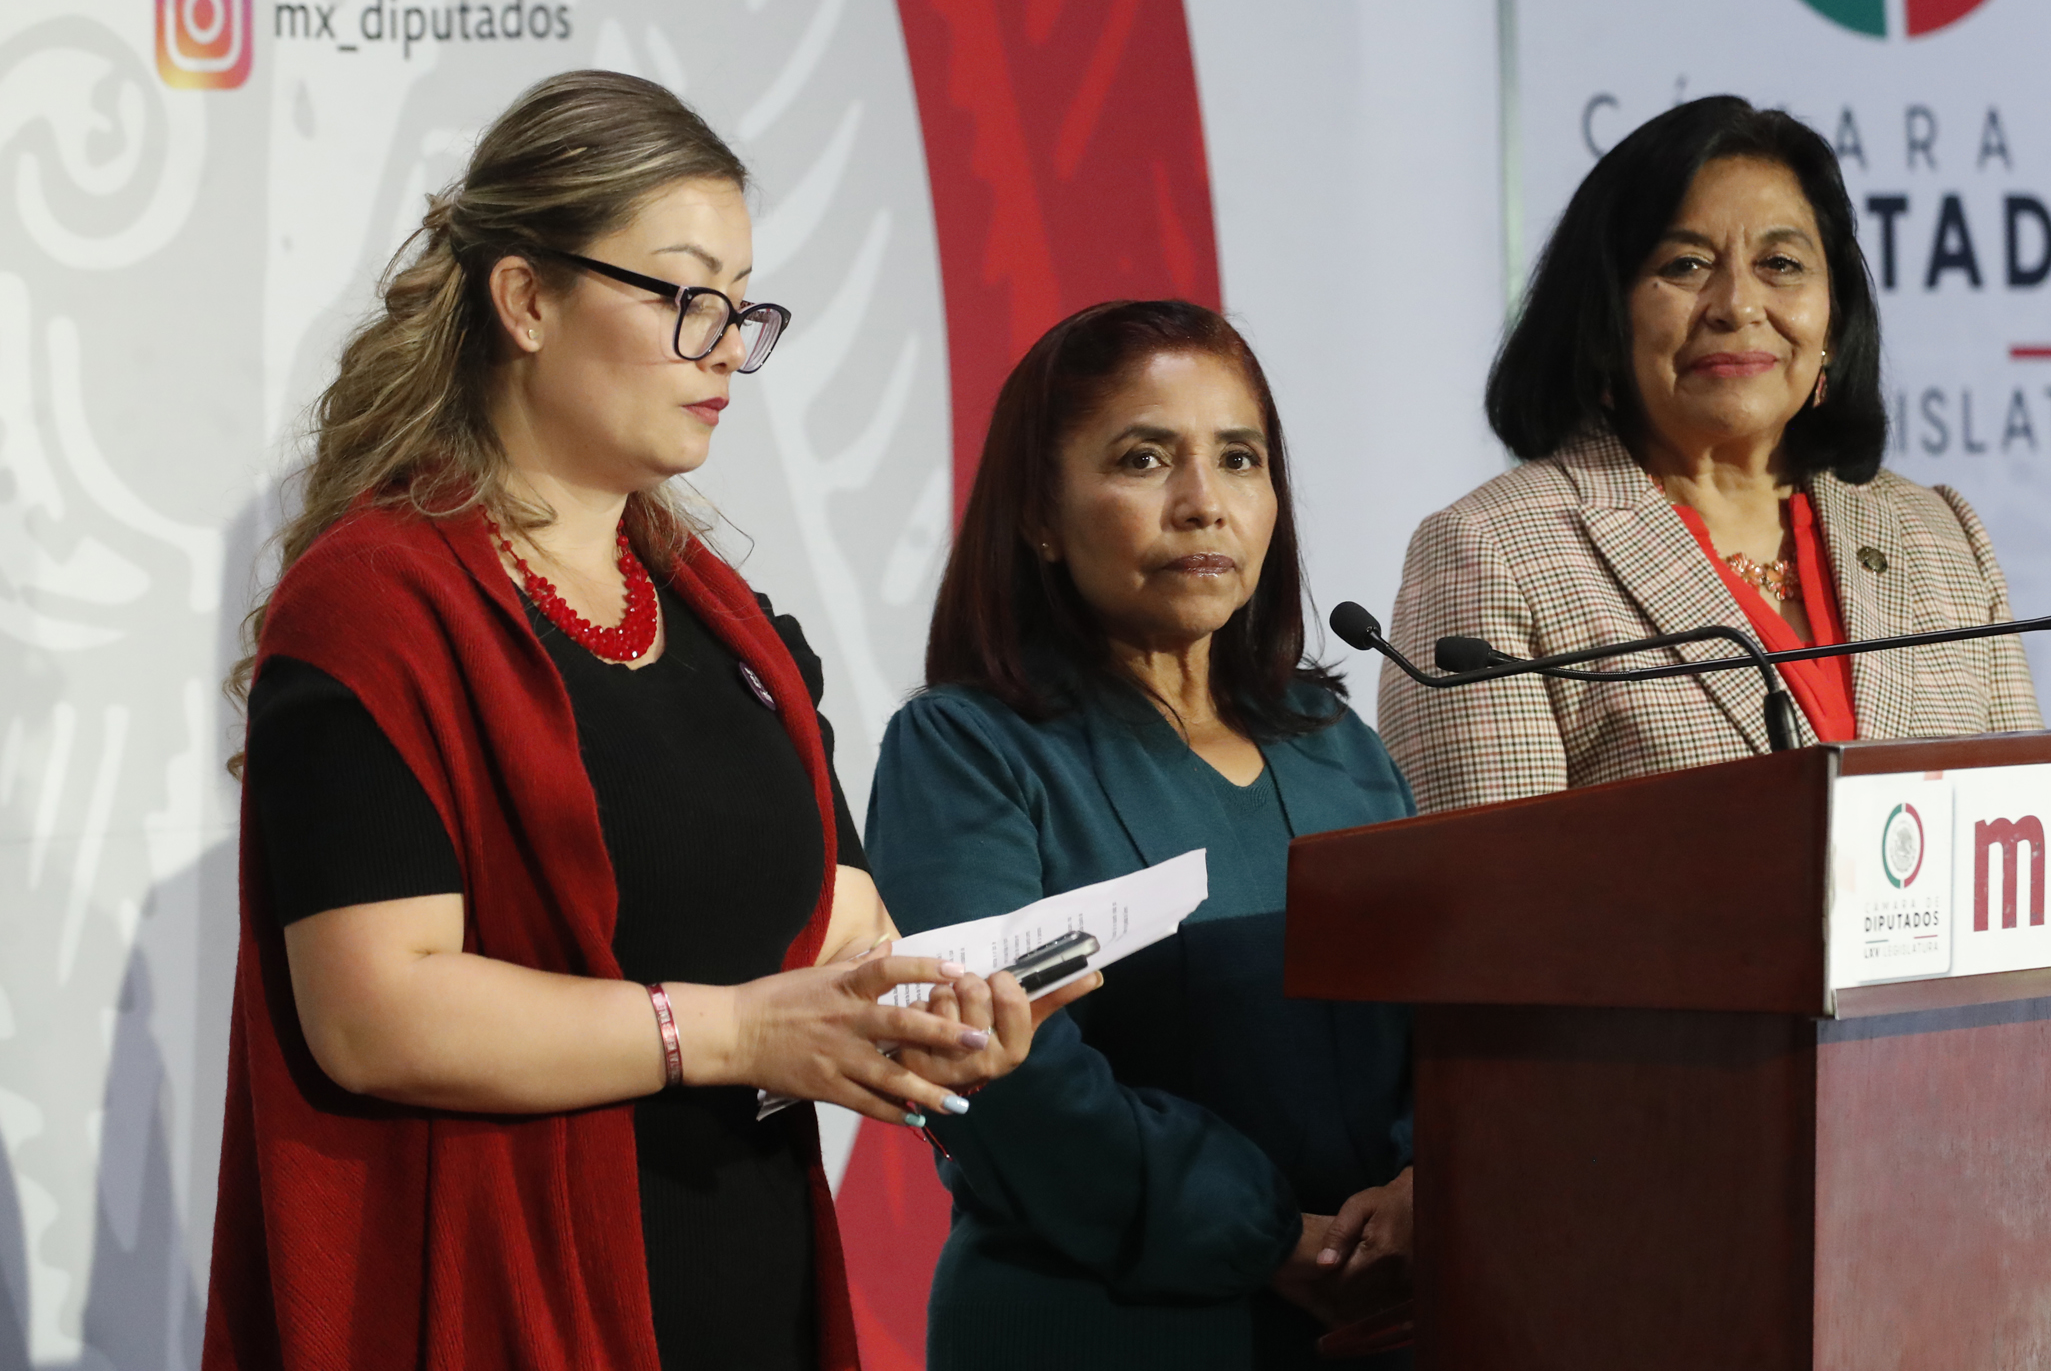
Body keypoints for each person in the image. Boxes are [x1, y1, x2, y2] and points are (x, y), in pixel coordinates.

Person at [203, 71, 1089, 1371]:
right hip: (505, 1308)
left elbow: (843, 931)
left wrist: (942, 1013)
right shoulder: (377, 608)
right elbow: (375, 1013)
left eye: (741, 306)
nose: (725, 347)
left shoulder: (735, 629)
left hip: (749, 1291)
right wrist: (732, 1032)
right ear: (525, 299)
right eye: (684, 298)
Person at [864, 301, 1416, 1369]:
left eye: (1240, 458)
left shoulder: (1336, 743)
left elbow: (1444, 1016)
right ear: (1039, 514)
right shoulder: (966, 749)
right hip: (1101, 1326)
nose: (1203, 503)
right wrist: (1272, 1236)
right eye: (1145, 459)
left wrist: (1427, 1186)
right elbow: (1003, 1071)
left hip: (1381, 1319)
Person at [1381, 96, 2042, 812]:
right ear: (1607, 315)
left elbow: (2022, 837)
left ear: (1833, 319)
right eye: (1688, 264)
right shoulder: (1492, 553)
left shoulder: (1938, 537)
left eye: (1781, 263)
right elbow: (1490, 879)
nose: (1738, 305)